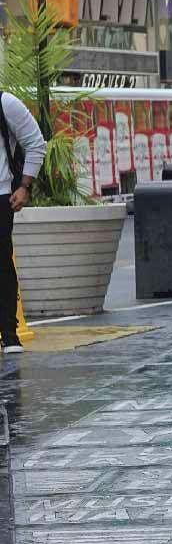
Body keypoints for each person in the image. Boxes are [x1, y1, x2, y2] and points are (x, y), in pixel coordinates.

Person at [0, 90, 47, 354]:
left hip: (0, 195)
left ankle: (8, 333)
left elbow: (35, 142)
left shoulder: (5, 103)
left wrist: (24, 185)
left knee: (1, 263)